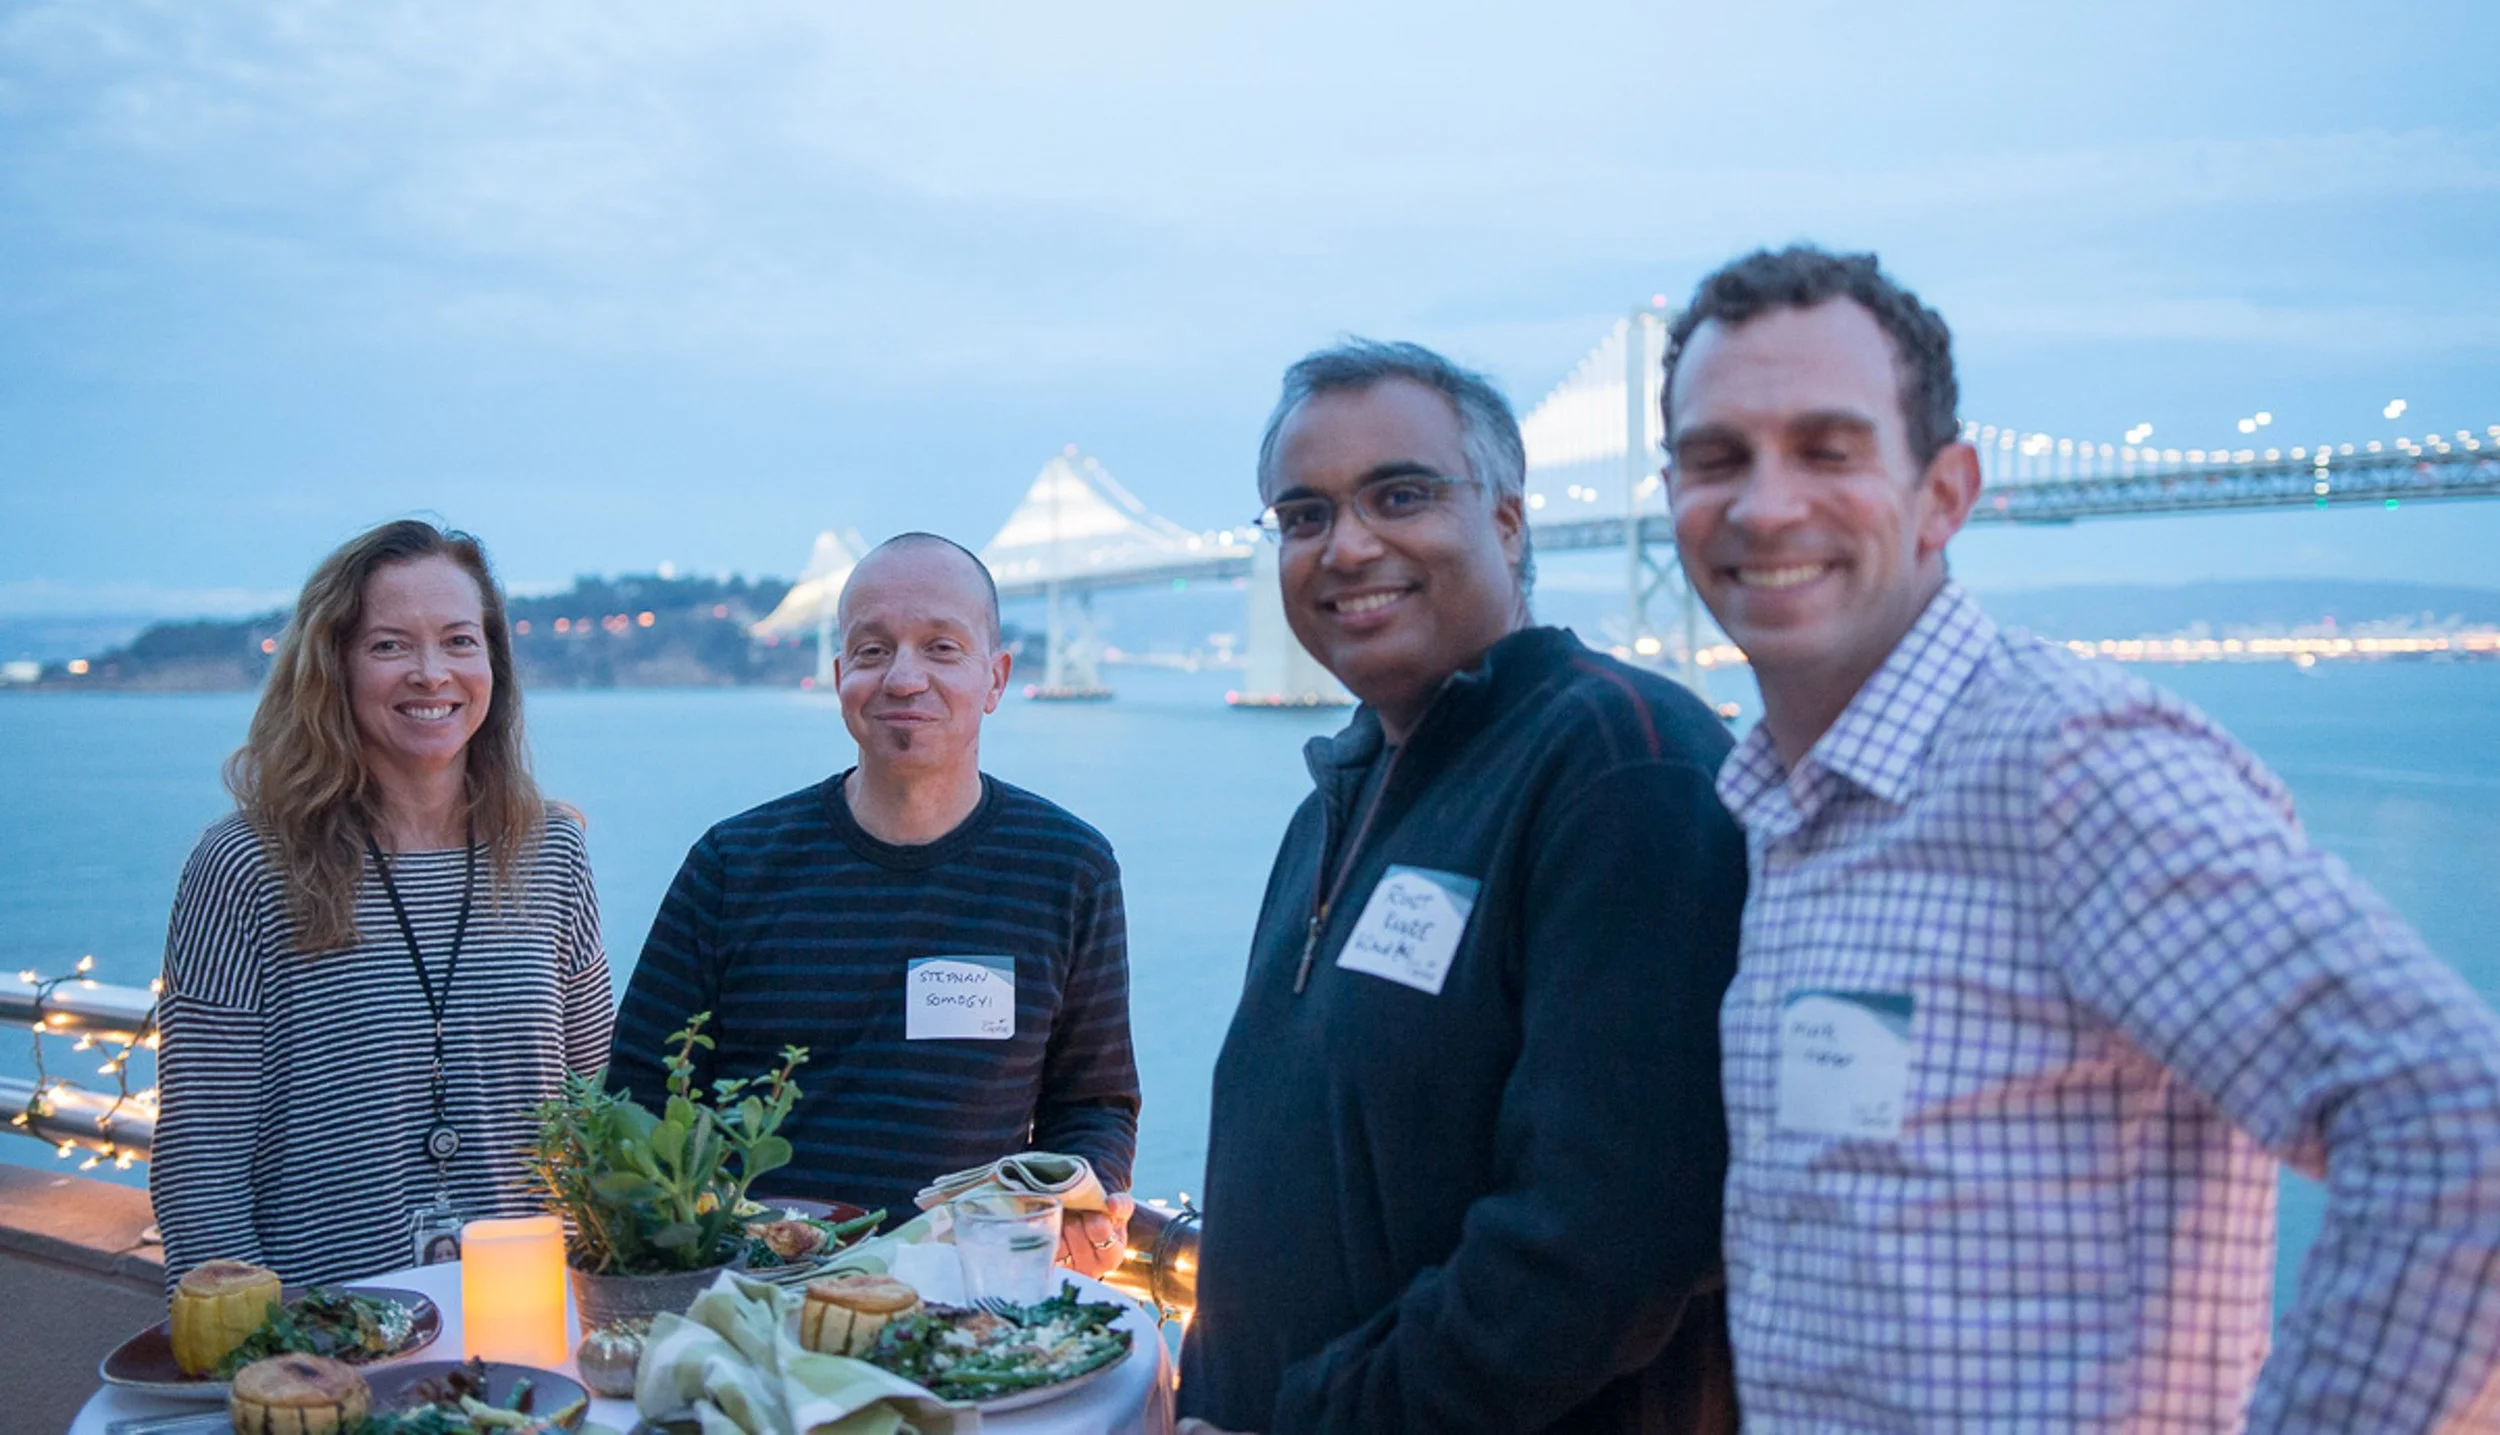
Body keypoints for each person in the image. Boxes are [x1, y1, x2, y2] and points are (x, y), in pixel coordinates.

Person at [1660, 244, 2500, 1429]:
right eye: (1715, 459)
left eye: (1827, 449)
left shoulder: (2070, 768)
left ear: (1946, 492)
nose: (1764, 502)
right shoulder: (1791, 808)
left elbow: (2457, 1128)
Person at [1177, 342, 1749, 1435]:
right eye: (1302, 515)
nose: (1346, 545)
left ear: (1507, 519)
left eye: (1399, 493)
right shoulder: (1335, 802)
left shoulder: (1620, 761)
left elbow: (1599, 1244)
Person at [609, 533, 1139, 1273]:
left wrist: (1089, 1192)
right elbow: (637, 1098)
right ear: (839, 677)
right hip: (762, 1300)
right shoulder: (732, 865)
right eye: (872, 649)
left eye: (942, 647)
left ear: (996, 677)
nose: (903, 677)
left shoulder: (1069, 866)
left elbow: (1094, 1103)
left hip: (968, 1296)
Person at [152, 519, 613, 1286]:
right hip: (331, 1347)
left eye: (460, 640)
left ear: (492, 660)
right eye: (390, 644)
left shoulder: (551, 851)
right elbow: (202, 1164)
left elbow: (594, 1112)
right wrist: (262, 1364)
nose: (432, 673)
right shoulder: (245, 866)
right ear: (334, 665)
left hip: (531, 1337)